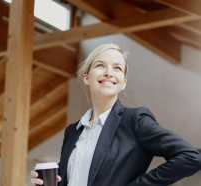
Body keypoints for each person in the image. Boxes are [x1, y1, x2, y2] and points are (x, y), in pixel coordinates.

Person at [31, 44, 201, 186]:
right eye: (100, 65)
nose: (108, 73)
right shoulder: (72, 131)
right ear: (86, 77)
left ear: (123, 83)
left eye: (117, 68)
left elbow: (191, 157)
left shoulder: (135, 121)